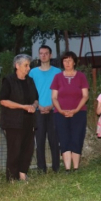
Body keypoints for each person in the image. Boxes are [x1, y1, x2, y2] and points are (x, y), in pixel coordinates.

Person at [0, 54, 39, 182]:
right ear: (17, 66)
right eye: (26, 65)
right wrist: (23, 107)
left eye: (29, 65)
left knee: (28, 148)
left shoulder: (30, 81)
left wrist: (33, 106)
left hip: (29, 121)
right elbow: (4, 101)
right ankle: (11, 177)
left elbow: (36, 99)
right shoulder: (8, 80)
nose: (28, 68)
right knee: (14, 150)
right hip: (13, 122)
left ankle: (22, 174)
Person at [51, 52, 89, 173]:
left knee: (77, 137)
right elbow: (54, 97)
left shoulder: (81, 76)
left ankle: (76, 167)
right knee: (64, 138)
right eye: (65, 61)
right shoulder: (57, 77)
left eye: (70, 60)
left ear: (74, 62)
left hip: (79, 113)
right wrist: (61, 111)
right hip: (60, 114)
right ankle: (67, 168)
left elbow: (85, 96)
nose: (67, 63)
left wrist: (76, 110)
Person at [29, 45, 61, 173]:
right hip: (38, 111)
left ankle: (56, 167)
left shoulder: (57, 72)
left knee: (54, 140)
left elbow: (60, 92)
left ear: (50, 55)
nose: (43, 55)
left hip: (54, 110)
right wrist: (38, 106)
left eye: (46, 53)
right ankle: (41, 168)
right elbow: (30, 92)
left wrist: (53, 105)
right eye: (41, 53)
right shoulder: (33, 72)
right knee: (40, 140)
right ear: (39, 55)